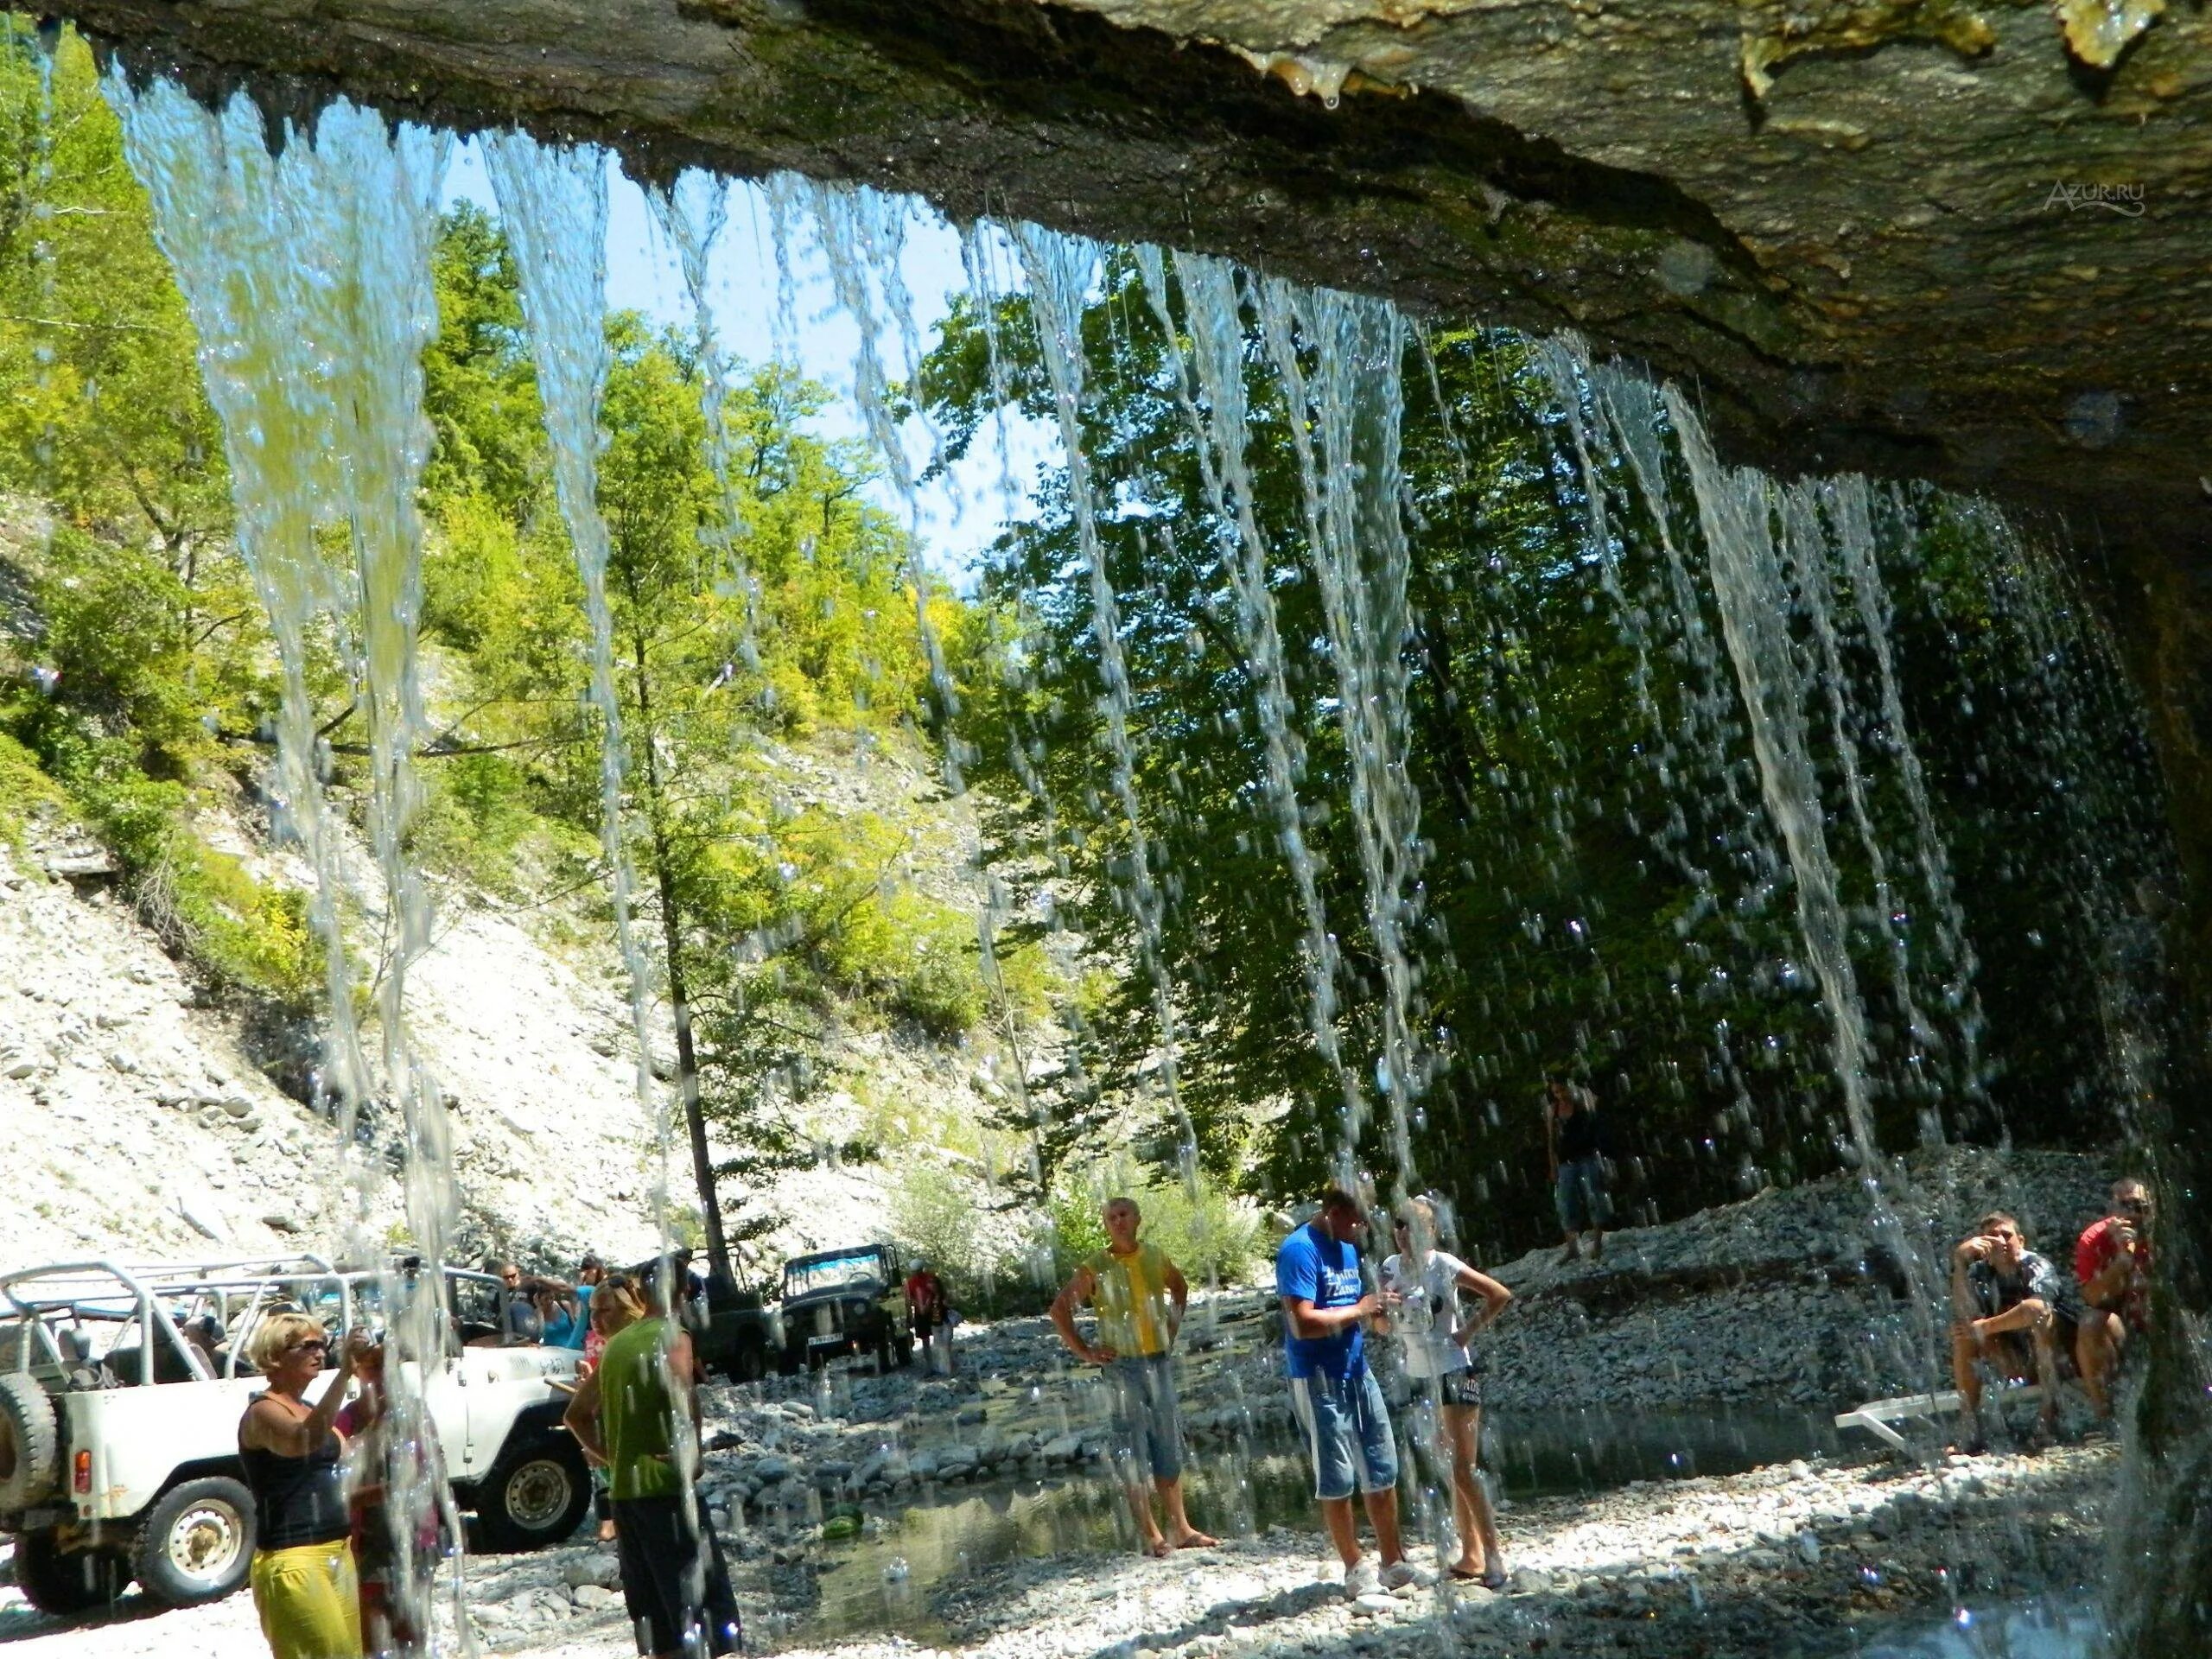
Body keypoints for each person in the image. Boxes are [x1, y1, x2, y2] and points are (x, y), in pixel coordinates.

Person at [564, 1275, 742, 1658]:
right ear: (682, 1295)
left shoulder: (612, 1352)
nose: (596, 1319)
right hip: (665, 1489)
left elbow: (576, 1415)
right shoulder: (669, 1334)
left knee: (657, 1621)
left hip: (626, 1496)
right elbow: (683, 1393)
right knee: (705, 1608)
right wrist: (691, 1455)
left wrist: (615, 1456)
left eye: (602, 1311)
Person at [1050, 1196, 1220, 1557]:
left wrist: (1170, 1331)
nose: (1118, 1221)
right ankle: (1152, 1536)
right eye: (1111, 1217)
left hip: (1157, 1362)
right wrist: (1086, 1351)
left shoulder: (1154, 1256)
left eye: (1123, 1214)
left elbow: (1180, 1288)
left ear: (1138, 1219)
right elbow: (1060, 1309)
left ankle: (1182, 1528)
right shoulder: (1095, 1266)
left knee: (1167, 1442)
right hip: (1122, 1368)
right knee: (1133, 1449)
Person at [1276, 1189, 1413, 1599]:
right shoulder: (1299, 1251)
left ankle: (1393, 1562)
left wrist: (1383, 1312)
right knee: (1336, 1476)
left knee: (1381, 1465)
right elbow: (1301, 1323)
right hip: (1317, 1377)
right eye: (1357, 1221)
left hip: (1357, 1370)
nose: (1364, 1229)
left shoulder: (1347, 1246)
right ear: (1334, 1213)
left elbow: (1359, 1310)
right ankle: (1355, 1567)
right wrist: (1361, 1309)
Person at [1382, 1198, 1512, 1587]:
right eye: (1400, 1225)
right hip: (1420, 1376)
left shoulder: (1445, 1265)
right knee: (1447, 1466)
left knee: (1462, 1467)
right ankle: (1470, 1554)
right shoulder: (1389, 1267)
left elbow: (1499, 1294)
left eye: (1415, 1227)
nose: (1406, 1233)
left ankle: (1494, 1558)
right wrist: (1383, 1316)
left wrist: (1466, 1331)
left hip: (1456, 1370)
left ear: (1432, 1232)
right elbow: (1382, 1321)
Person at [238, 1313, 365, 1659]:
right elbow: (304, 1440)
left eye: (323, 1345)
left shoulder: (307, 1407)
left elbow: (346, 1440)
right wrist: (344, 1374)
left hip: (337, 1551)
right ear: (276, 1355)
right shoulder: (263, 1411)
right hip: (294, 1559)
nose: (320, 1353)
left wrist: (378, 1376)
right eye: (308, 1345)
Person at [334, 1334, 443, 1654]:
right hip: (368, 1539)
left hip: (417, 1536)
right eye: (373, 1367)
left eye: (388, 1366)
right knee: (374, 1629)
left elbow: (436, 1469)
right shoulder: (349, 1418)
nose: (382, 1376)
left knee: (413, 1627)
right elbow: (339, 1484)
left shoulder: (416, 1411)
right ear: (357, 1372)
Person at [1949, 1211, 2083, 1452]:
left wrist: (1985, 1327)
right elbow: (1965, 1314)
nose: (1999, 1241)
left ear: (2020, 1241)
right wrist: (1960, 1263)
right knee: (1963, 1335)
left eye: (2006, 1235)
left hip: (2062, 1358)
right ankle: (1970, 1426)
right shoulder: (1980, 1273)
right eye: (1991, 1236)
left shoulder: (2035, 1265)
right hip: (2021, 1361)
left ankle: (2047, 1419)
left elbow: (2037, 1309)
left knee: (2039, 1316)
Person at [2075, 1178, 2152, 1419]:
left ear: (2152, 1208)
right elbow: (2092, 1297)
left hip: (2162, 1323)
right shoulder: (2095, 1239)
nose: (2133, 1214)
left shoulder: (2164, 1234)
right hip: (2122, 1330)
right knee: (2091, 1323)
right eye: (2125, 1206)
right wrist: (2121, 1262)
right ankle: (2105, 1415)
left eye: (2139, 1206)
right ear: (2113, 1211)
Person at [1544, 1078, 1612, 1263]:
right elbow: (1551, 1140)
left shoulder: (1583, 1101)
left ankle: (1597, 1244)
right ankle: (1573, 1247)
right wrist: (1553, 1165)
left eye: (1562, 1091)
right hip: (1566, 1161)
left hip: (1588, 1156)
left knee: (1595, 1198)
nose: (1560, 1096)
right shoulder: (1553, 1110)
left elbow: (1597, 1118)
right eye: (1556, 1092)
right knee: (1565, 1203)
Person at [905, 1258, 948, 1373]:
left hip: (932, 1311)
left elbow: (937, 1293)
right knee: (926, 1340)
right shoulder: (911, 1282)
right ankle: (931, 1366)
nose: (915, 1273)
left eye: (916, 1270)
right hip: (922, 1313)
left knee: (937, 1338)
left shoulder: (930, 1279)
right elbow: (910, 1299)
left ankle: (942, 1364)